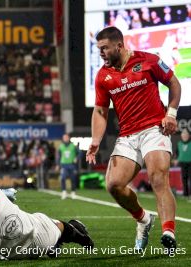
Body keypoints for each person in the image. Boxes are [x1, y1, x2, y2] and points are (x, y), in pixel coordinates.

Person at [86, 26, 181, 254]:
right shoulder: (103, 76)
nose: (101, 53)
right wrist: (96, 140)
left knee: (158, 177)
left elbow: (174, 83)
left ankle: (168, 232)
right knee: (113, 185)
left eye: (104, 48)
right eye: (99, 49)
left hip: (154, 129)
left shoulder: (149, 61)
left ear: (119, 46)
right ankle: (143, 219)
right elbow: (100, 111)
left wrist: (171, 113)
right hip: (127, 135)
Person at [56, 133, 79, 200]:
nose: (65, 139)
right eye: (64, 137)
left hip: (72, 165)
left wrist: (76, 158)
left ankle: (73, 192)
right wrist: (57, 164)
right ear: (63, 139)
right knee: (63, 178)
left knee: (73, 179)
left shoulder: (73, 146)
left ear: (69, 138)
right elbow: (58, 156)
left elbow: (80, 153)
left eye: (66, 137)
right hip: (64, 165)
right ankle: (64, 192)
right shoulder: (61, 146)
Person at [176, 129, 191, 197]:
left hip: (190, 163)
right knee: (184, 178)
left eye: (186, 133)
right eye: (183, 133)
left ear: (189, 135)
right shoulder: (179, 143)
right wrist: (176, 160)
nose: (184, 135)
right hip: (183, 164)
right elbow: (177, 154)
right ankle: (185, 194)